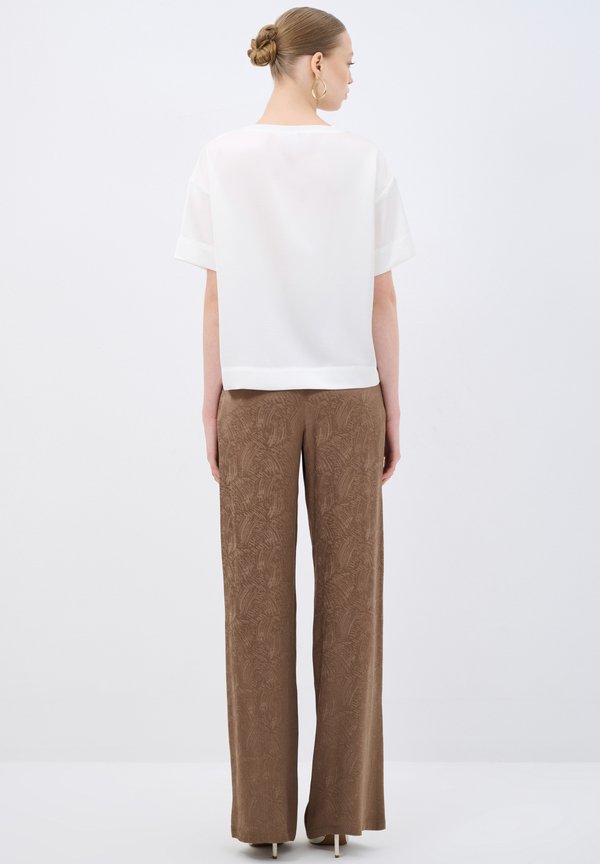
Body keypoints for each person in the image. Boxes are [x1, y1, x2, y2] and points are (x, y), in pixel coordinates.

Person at [174, 6, 416, 859]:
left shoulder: (221, 158)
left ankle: (264, 822)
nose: (351, 77)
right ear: (313, 65)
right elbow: (383, 297)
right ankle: (339, 814)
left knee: (254, 609)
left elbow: (215, 298)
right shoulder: (364, 161)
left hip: (252, 396)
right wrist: (392, 407)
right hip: (350, 396)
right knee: (352, 604)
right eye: (347, 63)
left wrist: (211, 405)